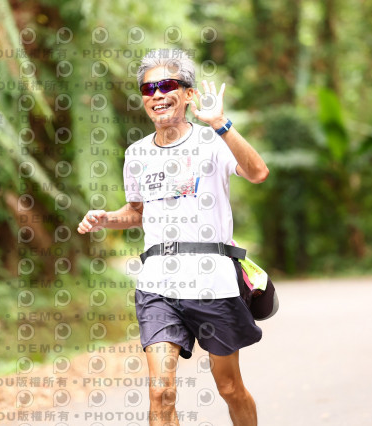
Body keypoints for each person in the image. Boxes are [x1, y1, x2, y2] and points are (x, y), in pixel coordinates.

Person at [77, 48, 269, 426]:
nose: (158, 95)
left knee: (229, 387)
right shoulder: (137, 154)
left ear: (188, 94)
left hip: (212, 283)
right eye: (149, 89)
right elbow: (137, 212)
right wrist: (105, 219)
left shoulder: (213, 141)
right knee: (160, 391)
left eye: (167, 85)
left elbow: (258, 172)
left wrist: (221, 123)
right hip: (157, 286)